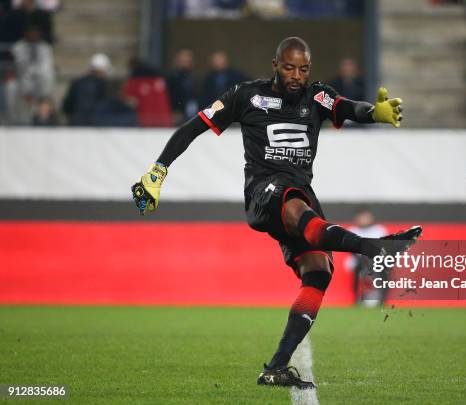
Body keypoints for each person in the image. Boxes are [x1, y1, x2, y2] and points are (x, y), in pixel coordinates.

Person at [131, 37, 422, 389]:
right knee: (297, 206)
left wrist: (375, 113)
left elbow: (348, 107)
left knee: (318, 272)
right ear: (275, 65)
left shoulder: (317, 96)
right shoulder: (245, 95)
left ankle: (276, 368)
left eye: (302, 69)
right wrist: (158, 171)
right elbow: (193, 127)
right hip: (264, 191)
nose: (296, 75)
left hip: (300, 195)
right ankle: (372, 247)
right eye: (289, 67)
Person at [345, 208, 387, 305]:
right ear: (356, 218)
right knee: (359, 265)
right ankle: (356, 299)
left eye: (366, 217)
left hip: (376, 260)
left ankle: (382, 299)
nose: (364, 220)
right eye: (361, 217)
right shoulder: (352, 230)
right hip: (358, 261)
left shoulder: (379, 230)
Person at [62, 53, 111, 126]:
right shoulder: (103, 85)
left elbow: (66, 107)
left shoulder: (77, 83)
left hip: (76, 124)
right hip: (95, 126)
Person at [166, 49, 198, 124]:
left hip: (193, 112)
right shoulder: (173, 76)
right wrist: (175, 110)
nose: (185, 62)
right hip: (178, 112)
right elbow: (171, 95)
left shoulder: (193, 76)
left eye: (187, 59)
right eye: (183, 60)